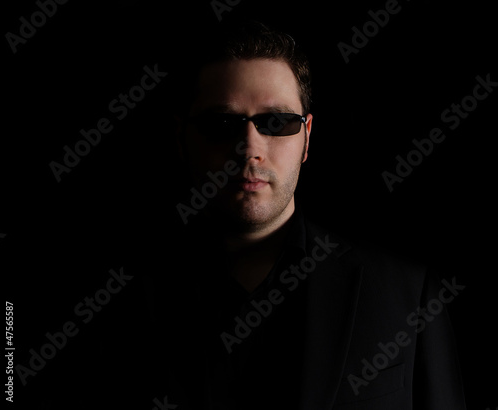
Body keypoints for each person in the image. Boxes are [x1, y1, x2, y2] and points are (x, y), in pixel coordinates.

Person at [139, 20, 467, 410]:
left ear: (307, 136)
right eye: (222, 123)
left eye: (276, 122)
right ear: (181, 139)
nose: (249, 148)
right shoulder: (124, 297)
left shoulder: (407, 294)